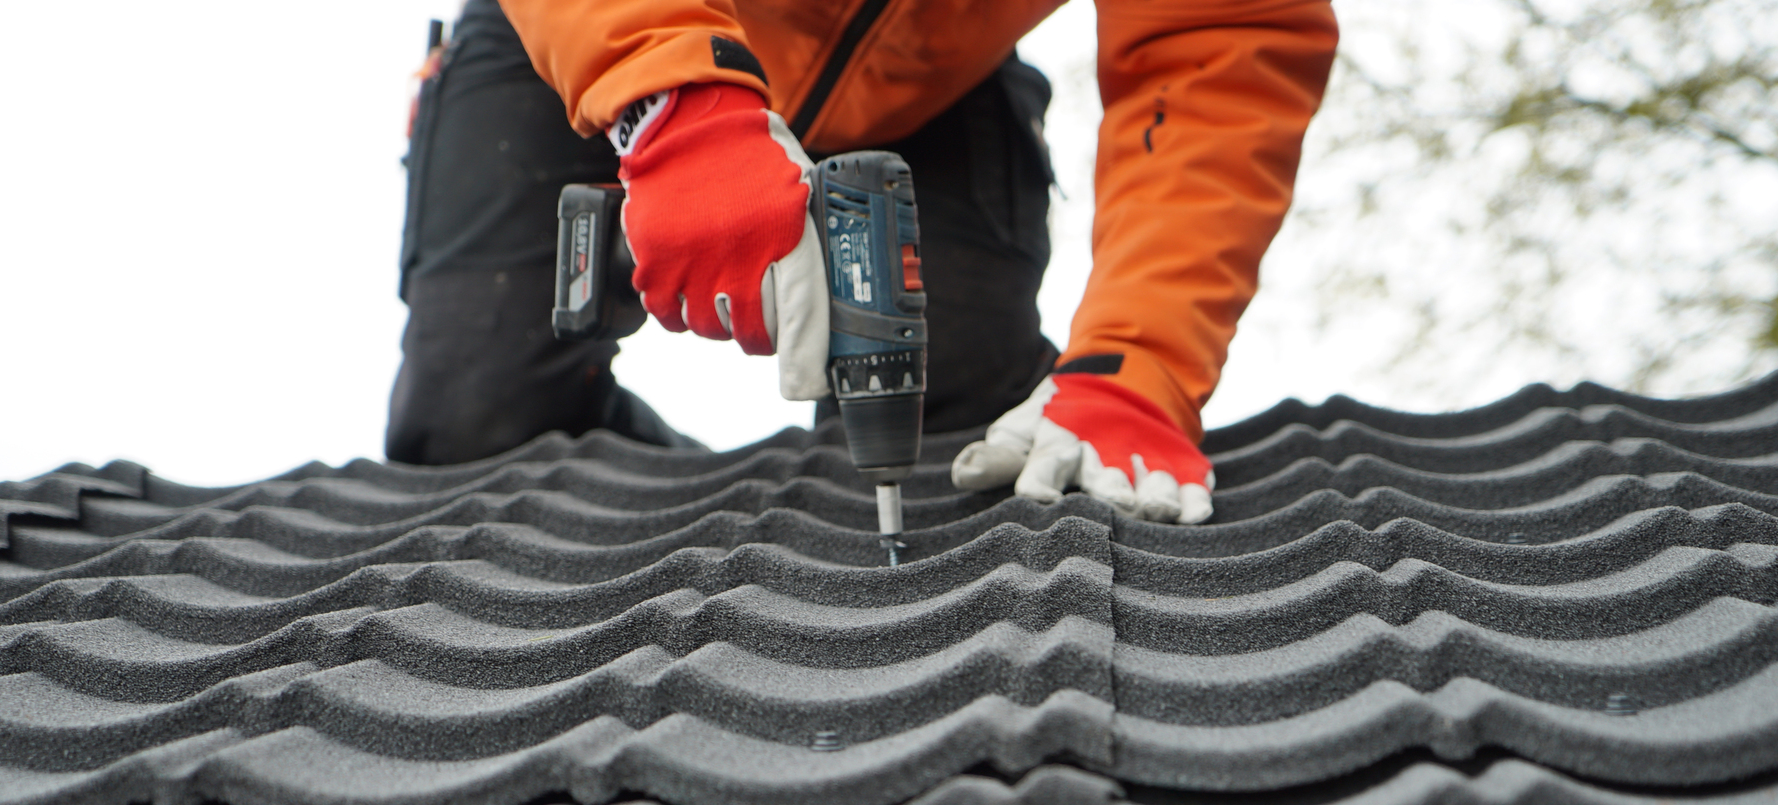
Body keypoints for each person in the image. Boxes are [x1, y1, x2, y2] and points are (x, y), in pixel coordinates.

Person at [388, 0, 1337, 524]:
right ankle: (709, 535)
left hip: (934, 85)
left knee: (957, 444)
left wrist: (1138, 366)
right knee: (475, 424)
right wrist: (672, 105)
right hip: (600, 37)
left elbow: (1220, 40)